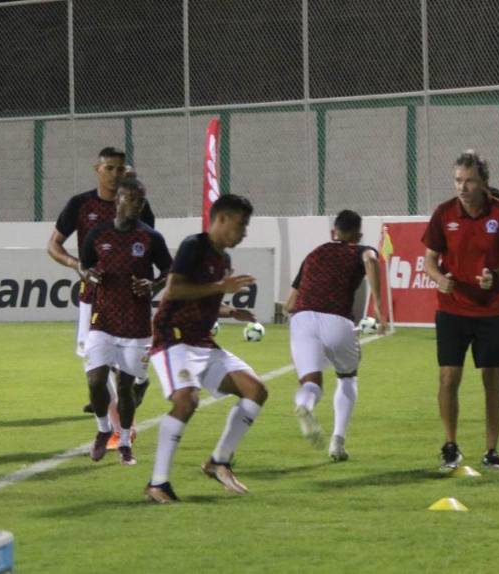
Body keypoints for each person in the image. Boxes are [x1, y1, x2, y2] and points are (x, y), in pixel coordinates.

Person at [144, 194, 267, 503]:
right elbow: (174, 289)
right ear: (222, 219)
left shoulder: (222, 259)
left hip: (201, 341)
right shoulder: (193, 246)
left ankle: (218, 461)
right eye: (241, 225)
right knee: (186, 401)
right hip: (173, 338)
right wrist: (219, 288)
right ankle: (158, 483)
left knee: (256, 391)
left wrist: (228, 310)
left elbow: (204, 298)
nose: (243, 233)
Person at [422, 150, 499, 471]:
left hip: (492, 311)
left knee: (493, 381)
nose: (462, 188)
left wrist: (495, 276)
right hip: (452, 310)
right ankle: (450, 445)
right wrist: (439, 279)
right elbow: (429, 260)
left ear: (484, 183)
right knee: (448, 377)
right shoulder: (443, 214)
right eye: (458, 181)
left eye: (469, 181)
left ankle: (491, 450)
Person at [47, 148, 156, 423]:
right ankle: (110, 408)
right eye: (109, 168)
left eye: (120, 169)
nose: (114, 174)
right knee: (94, 361)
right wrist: (77, 265)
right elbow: (53, 244)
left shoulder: (139, 205)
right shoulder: (81, 205)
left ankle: (130, 395)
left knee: (125, 366)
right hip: (92, 295)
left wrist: (150, 285)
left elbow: (149, 246)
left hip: (130, 298)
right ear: (98, 169)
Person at [79, 179, 171, 465]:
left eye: (140, 201)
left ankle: (125, 439)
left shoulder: (150, 237)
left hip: (136, 325)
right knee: (95, 381)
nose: (136, 205)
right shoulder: (97, 233)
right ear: (117, 200)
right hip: (103, 320)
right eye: (131, 199)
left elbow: (169, 270)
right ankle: (103, 430)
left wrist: (153, 285)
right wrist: (89, 275)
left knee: (126, 388)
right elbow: (85, 266)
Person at [285, 210, 386, 462]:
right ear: (358, 234)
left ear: (334, 232)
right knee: (347, 377)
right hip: (336, 320)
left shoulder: (313, 254)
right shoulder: (360, 249)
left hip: (302, 319)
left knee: (310, 382)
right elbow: (372, 261)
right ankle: (337, 442)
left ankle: (306, 406)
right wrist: (379, 307)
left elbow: (289, 303)